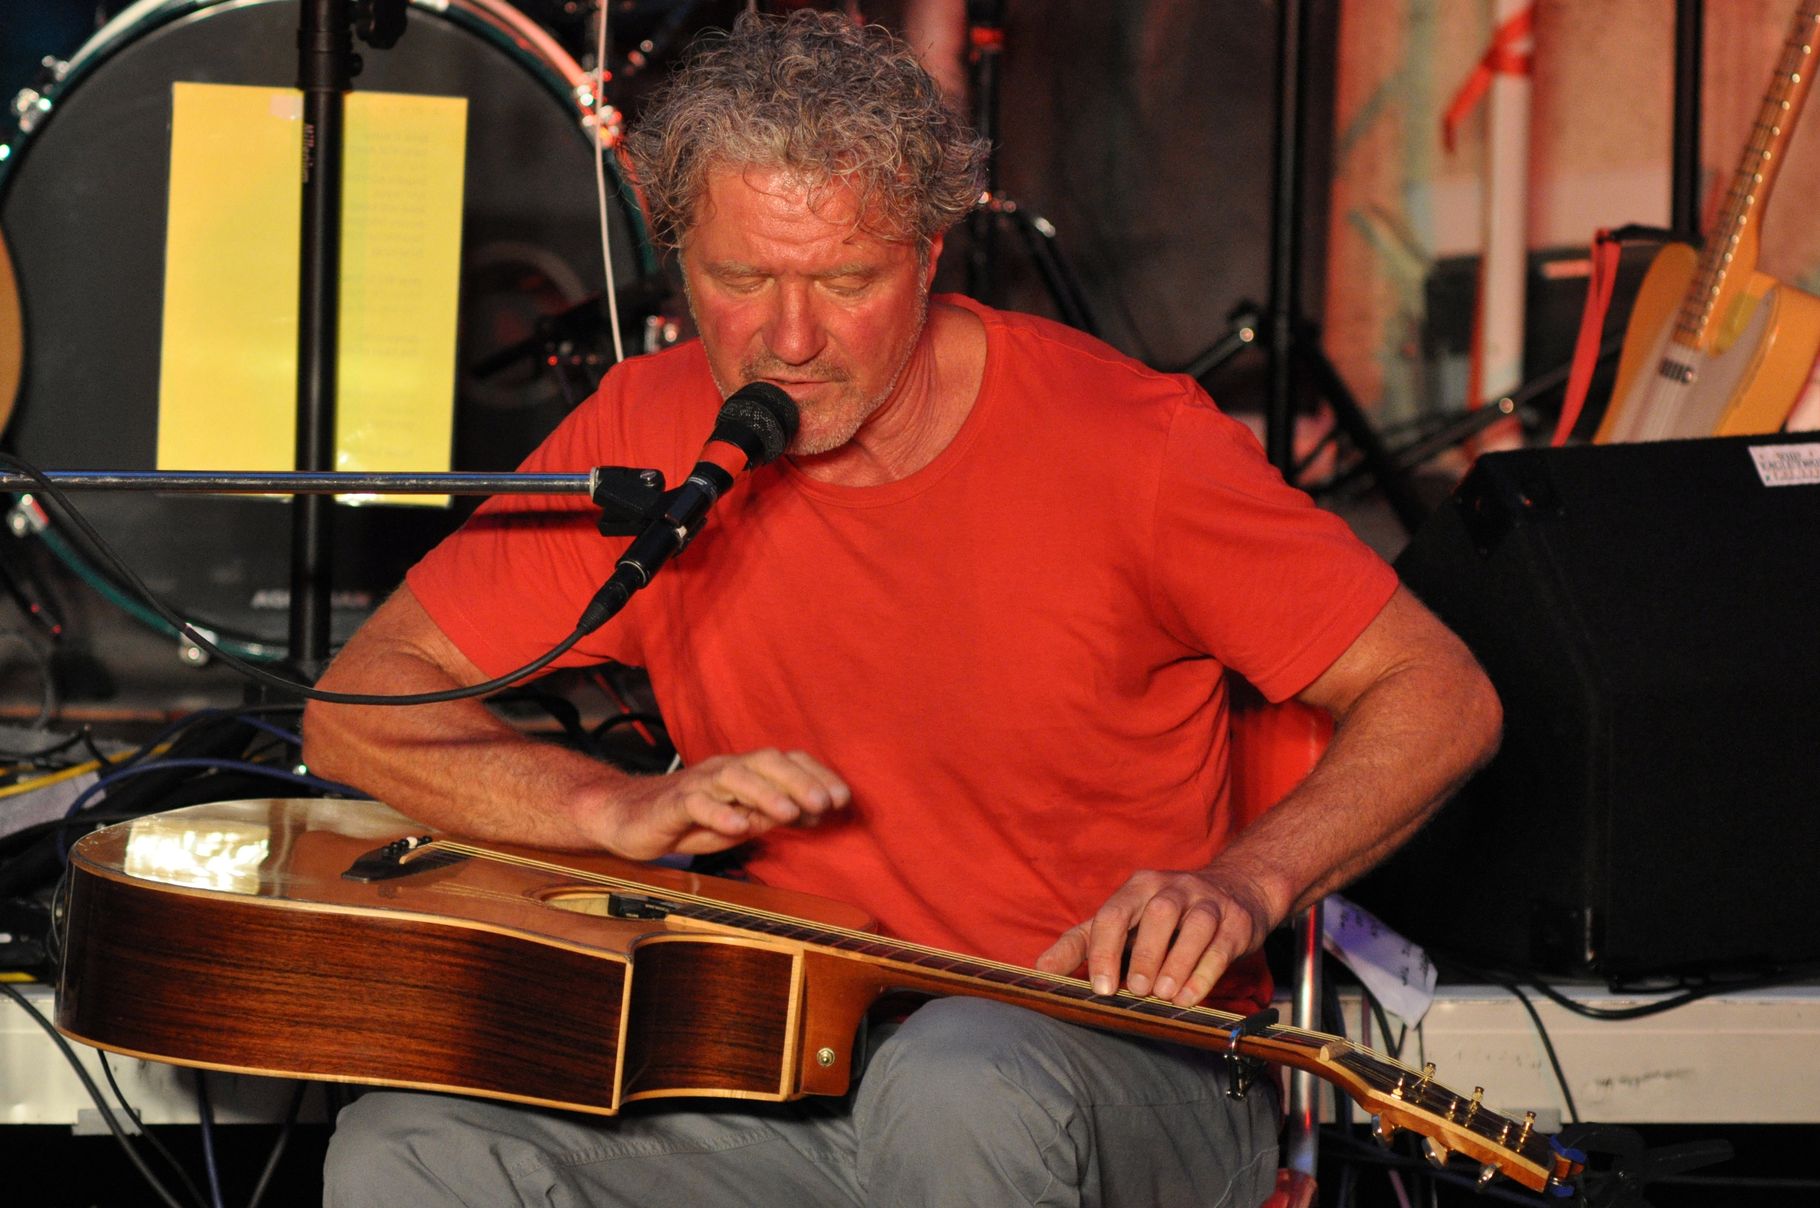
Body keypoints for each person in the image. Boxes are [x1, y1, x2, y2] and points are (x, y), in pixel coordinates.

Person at [303, 12, 1500, 1206]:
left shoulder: (1132, 446)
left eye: (844, 280)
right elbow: (358, 709)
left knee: (955, 1073)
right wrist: (608, 806)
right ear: (678, 262)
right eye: (740, 277)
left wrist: (1246, 882)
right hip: (784, 1064)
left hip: (1124, 1064)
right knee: (402, 1145)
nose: (787, 338)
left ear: (929, 259)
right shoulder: (651, 428)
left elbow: (1438, 690)